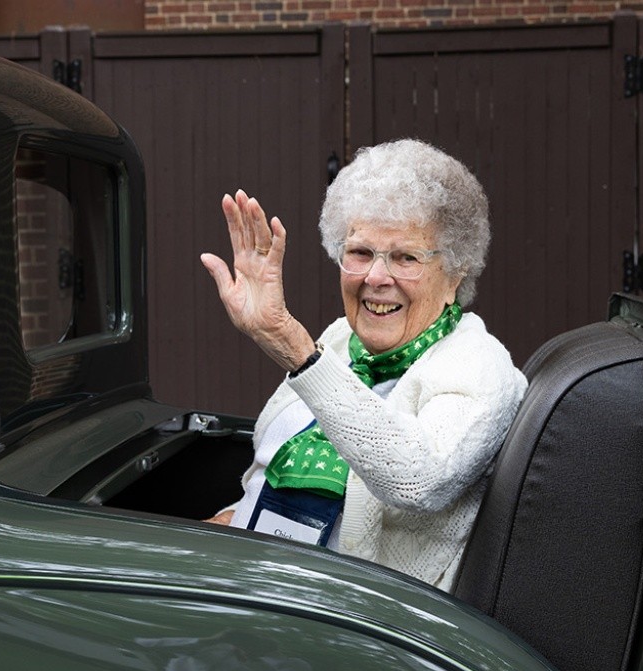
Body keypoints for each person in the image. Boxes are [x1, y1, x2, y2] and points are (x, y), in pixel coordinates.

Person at [200, 139, 527, 591]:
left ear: (455, 275)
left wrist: (294, 347)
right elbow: (271, 468)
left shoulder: (479, 367)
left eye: (405, 257)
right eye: (360, 253)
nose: (376, 277)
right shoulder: (340, 340)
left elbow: (417, 480)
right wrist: (236, 516)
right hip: (267, 583)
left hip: (361, 626)